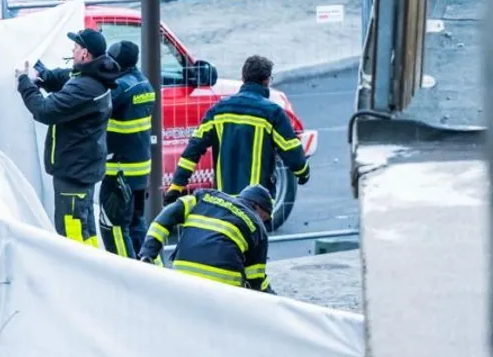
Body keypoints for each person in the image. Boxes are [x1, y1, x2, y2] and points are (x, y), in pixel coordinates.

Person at [15, 28, 122, 248]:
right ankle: (93, 271)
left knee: (71, 235)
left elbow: (44, 110)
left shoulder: (86, 86)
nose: (72, 49)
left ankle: (81, 277)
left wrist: (24, 82)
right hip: (82, 168)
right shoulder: (93, 76)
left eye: (76, 46)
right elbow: (65, 79)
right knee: (85, 229)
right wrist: (42, 75)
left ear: (85, 54)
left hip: (73, 173)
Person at [165, 55, 310, 203]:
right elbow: (291, 149)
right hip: (255, 205)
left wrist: (177, 184)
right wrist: (303, 173)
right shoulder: (273, 113)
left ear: (243, 78)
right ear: (267, 80)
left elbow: (193, 149)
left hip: (224, 202)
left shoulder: (218, 110)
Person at [137, 184, 274, 293]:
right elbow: (256, 283)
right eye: (265, 218)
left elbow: (167, 215)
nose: (264, 224)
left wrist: (148, 253)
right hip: (223, 286)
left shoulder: (205, 196)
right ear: (256, 207)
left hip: (182, 274)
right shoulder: (257, 227)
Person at [105, 40, 156, 254]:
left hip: (120, 169)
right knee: (137, 222)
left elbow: (95, 106)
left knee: (117, 226)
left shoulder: (121, 88)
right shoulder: (144, 84)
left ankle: (127, 273)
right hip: (140, 168)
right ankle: (150, 266)